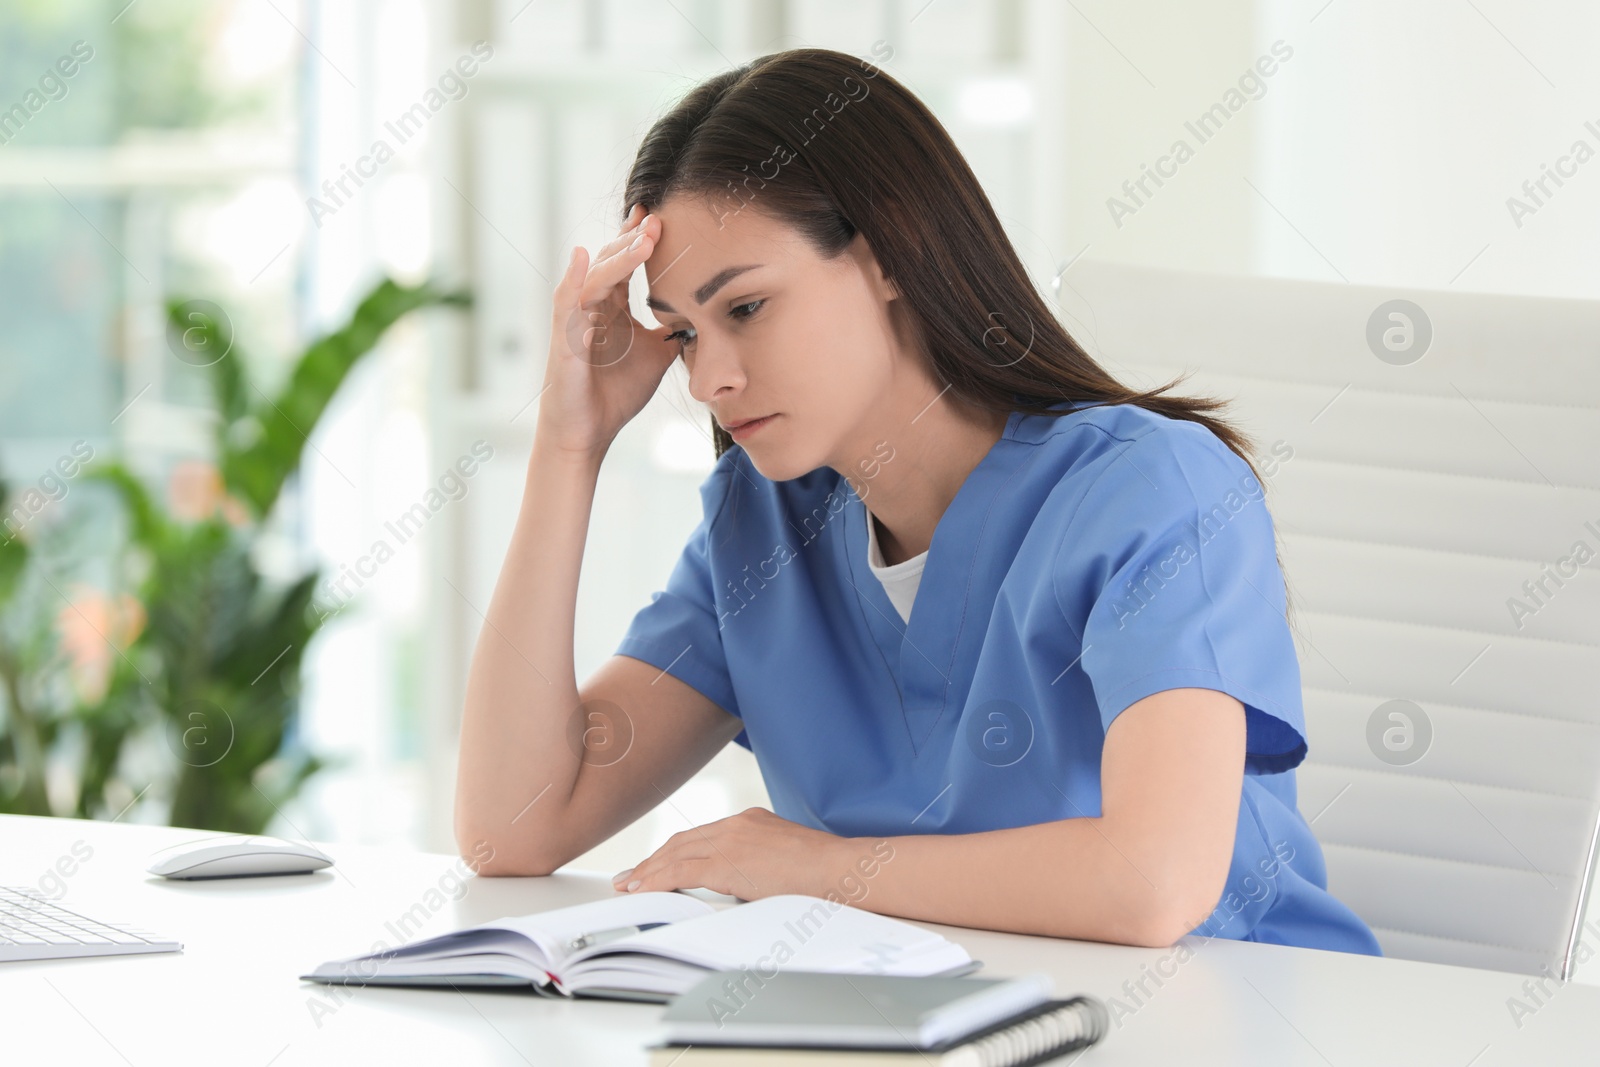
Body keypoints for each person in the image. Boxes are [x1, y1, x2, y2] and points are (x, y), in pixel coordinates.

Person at [454, 46, 1381, 955]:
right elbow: (513, 827)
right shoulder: (765, 524)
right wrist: (569, 445)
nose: (710, 381)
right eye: (684, 334)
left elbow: (1153, 883)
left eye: (745, 308)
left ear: (888, 251)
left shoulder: (1152, 491)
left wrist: (818, 867)